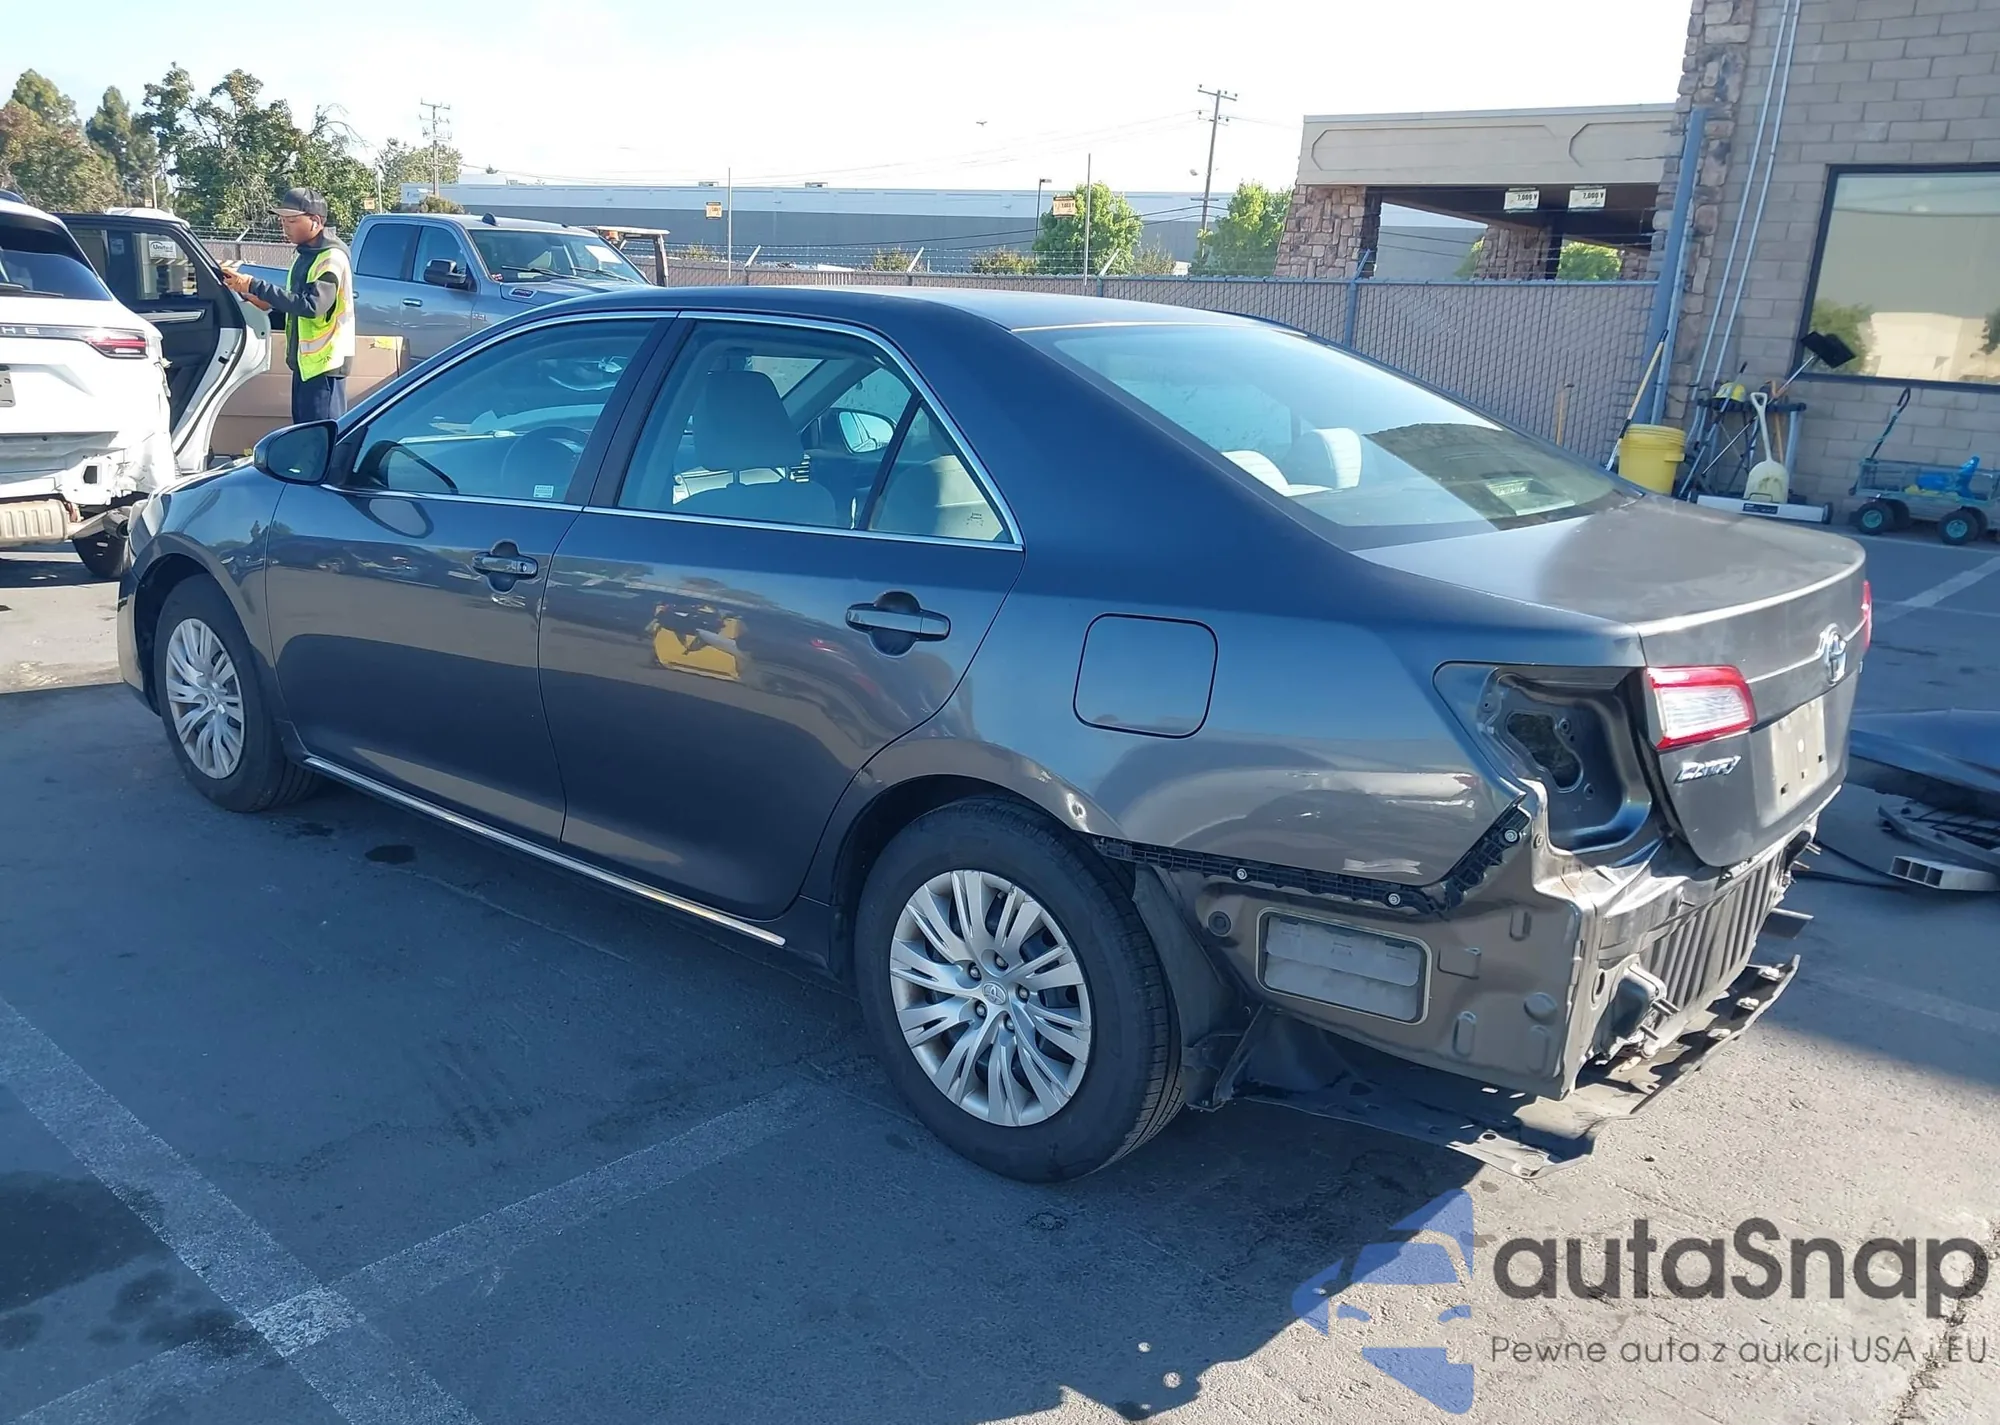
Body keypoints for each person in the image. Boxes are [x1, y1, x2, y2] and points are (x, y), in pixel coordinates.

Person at [220, 188, 354, 423]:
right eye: (282, 220)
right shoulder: (306, 256)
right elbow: (297, 309)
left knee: (320, 438)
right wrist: (268, 306)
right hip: (307, 365)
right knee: (304, 434)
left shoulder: (330, 257)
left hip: (325, 367)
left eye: (291, 221)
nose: (285, 226)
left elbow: (312, 306)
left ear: (316, 221)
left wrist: (255, 286)